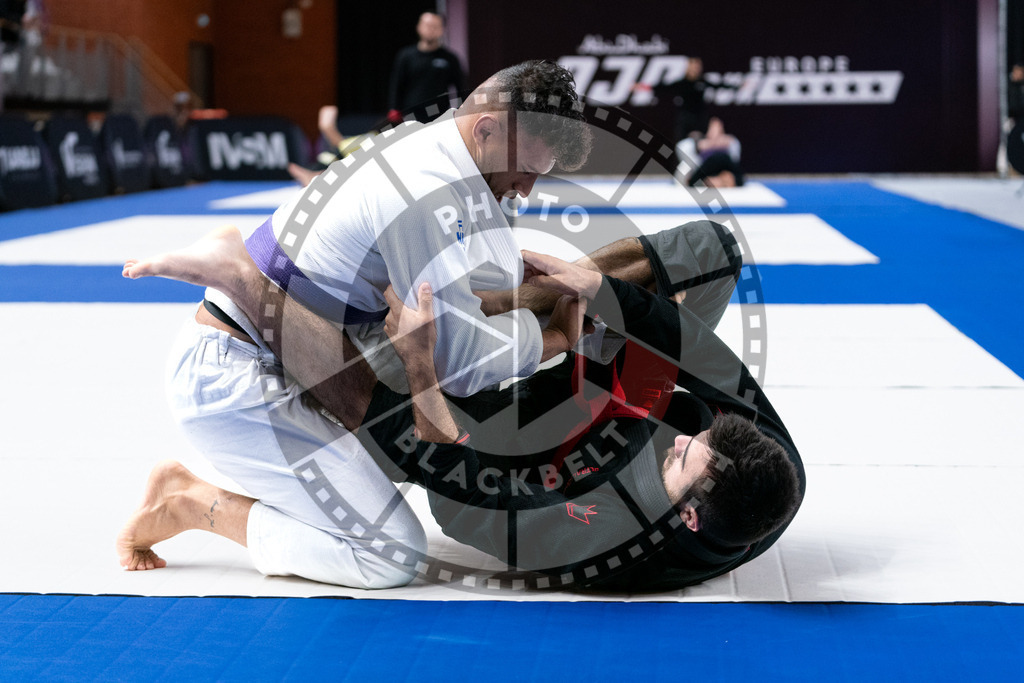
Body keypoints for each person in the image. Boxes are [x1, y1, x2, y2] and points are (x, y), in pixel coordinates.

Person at [118, 219, 804, 591]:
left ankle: (245, 287)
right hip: (599, 407)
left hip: (501, 453)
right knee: (711, 252)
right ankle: (498, 306)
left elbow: (460, 494)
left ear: (684, 515)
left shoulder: (610, 545)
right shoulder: (771, 465)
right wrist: (600, 296)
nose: (682, 438)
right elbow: (709, 363)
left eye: (683, 458)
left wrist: (421, 367)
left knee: (387, 441)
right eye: (697, 437)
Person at [387, 11, 464, 124]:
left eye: (435, 26)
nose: (430, 30)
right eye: (427, 25)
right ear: (419, 27)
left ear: (442, 30)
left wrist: (460, 109)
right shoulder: (406, 56)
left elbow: (460, 86)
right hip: (411, 115)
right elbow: (396, 84)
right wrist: (394, 108)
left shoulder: (449, 58)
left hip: (440, 115)